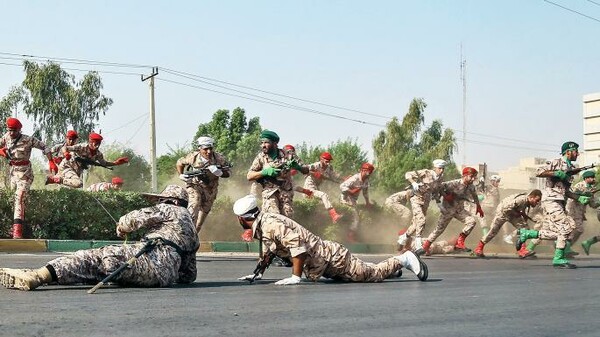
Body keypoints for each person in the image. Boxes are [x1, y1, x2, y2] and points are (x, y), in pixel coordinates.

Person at [0, 185, 199, 291]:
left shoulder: (168, 209)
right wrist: (166, 272)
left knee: (93, 258)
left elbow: (132, 220)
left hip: (150, 258)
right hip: (163, 278)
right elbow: (189, 275)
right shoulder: (192, 229)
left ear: (171, 200)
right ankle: (49, 276)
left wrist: (121, 227)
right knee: (98, 270)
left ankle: (39, 276)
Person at [233, 195, 428, 285]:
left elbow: (297, 247)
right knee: (364, 271)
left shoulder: (270, 224)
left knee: (372, 275)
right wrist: (257, 274)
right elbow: (271, 250)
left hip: (332, 258)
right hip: (324, 263)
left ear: (242, 218)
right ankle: (393, 270)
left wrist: (295, 277)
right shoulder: (264, 223)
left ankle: (405, 259)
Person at [516, 141, 587, 269]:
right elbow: (539, 171)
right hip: (551, 200)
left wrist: (578, 197)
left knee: (556, 231)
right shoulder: (557, 162)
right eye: (575, 151)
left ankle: (527, 234)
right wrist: (555, 173)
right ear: (568, 152)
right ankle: (558, 258)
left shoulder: (571, 168)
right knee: (566, 227)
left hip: (560, 201)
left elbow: (565, 191)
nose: (577, 153)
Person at [0, 117, 57, 239]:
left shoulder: (28, 140)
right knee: (13, 198)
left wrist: (51, 161)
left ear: (19, 130)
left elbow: (45, 147)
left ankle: (17, 231)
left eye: (14, 130)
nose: (11, 133)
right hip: (13, 173)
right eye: (9, 130)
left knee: (19, 196)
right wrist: (1, 151)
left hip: (25, 173)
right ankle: (13, 226)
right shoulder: (6, 137)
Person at [416, 167, 484, 256]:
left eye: (474, 177)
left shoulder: (471, 186)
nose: (473, 179)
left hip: (459, 210)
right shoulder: (453, 183)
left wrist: (478, 206)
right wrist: (445, 196)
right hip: (448, 210)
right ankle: (425, 247)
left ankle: (460, 242)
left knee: (472, 221)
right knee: (439, 230)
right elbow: (438, 187)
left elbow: (474, 195)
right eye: (471, 176)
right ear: (465, 175)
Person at [247, 130, 308, 218]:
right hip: (269, 193)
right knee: (273, 218)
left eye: (266, 142)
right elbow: (249, 176)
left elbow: (306, 170)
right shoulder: (261, 157)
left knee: (287, 221)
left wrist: (298, 166)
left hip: (286, 194)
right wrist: (264, 172)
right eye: (261, 143)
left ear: (275, 143)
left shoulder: (288, 155)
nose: (263, 145)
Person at [176, 136, 231, 232]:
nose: (208, 152)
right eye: (205, 149)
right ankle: (187, 231)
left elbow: (228, 172)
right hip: (195, 186)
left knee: (200, 220)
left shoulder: (219, 158)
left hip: (210, 189)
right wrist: (181, 175)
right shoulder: (193, 157)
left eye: (210, 148)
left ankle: (194, 234)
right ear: (200, 149)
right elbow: (179, 163)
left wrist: (219, 173)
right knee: (194, 204)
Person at [473, 189, 542, 258]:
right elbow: (506, 208)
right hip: (502, 212)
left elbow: (523, 214)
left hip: (512, 213)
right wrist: (518, 214)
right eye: (537, 200)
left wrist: (523, 216)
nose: (537, 203)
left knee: (524, 229)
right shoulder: (521, 199)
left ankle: (522, 250)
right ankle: (479, 248)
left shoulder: (527, 203)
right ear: (531, 197)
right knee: (493, 231)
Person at [45, 132, 129, 188]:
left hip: (76, 171)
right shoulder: (82, 147)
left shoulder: (98, 154)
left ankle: (55, 179)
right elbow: (64, 147)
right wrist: (66, 153)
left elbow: (104, 163)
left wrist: (116, 163)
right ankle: (55, 179)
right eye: (95, 143)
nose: (97, 146)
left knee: (72, 188)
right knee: (78, 183)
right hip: (67, 167)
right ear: (90, 142)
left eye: (98, 144)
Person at [397, 159, 447, 250]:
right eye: (440, 168)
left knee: (415, 225)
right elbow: (407, 174)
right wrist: (413, 182)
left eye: (443, 168)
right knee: (422, 220)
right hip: (416, 198)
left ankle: (403, 238)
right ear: (435, 167)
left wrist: (439, 203)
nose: (442, 170)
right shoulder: (426, 172)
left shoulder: (441, 178)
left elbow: (436, 190)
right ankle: (418, 244)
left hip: (426, 201)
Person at [563, 170, 599, 256]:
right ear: (586, 178)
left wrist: (597, 202)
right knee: (577, 229)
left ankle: (566, 248)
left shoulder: (591, 188)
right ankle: (565, 247)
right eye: (592, 177)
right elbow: (572, 194)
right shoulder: (579, 185)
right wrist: (583, 194)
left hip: (580, 212)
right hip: (573, 210)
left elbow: (592, 204)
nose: (594, 179)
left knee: (575, 230)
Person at [302, 151, 344, 223]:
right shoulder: (315, 165)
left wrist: (344, 179)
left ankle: (325, 221)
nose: (328, 163)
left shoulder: (329, 167)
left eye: (329, 161)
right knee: (323, 195)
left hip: (316, 187)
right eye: (326, 161)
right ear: (321, 159)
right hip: (309, 186)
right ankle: (333, 215)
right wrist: (314, 173)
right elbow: (303, 169)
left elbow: (334, 176)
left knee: (321, 204)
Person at [339, 162, 375, 241]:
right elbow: (342, 186)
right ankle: (350, 237)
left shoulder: (366, 180)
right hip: (346, 199)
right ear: (363, 170)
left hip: (353, 201)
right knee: (355, 218)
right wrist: (350, 191)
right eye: (369, 172)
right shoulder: (355, 178)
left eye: (371, 172)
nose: (369, 174)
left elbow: (365, 192)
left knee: (351, 217)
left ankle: (348, 235)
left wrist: (367, 202)